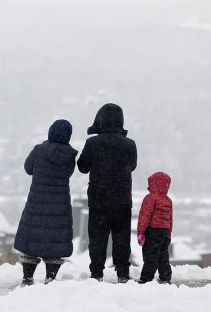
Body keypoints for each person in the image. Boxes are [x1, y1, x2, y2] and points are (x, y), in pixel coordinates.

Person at [77, 103, 137, 283]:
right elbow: (132, 166)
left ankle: (96, 273)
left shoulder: (93, 142)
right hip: (122, 199)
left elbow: (82, 167)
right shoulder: (129, 144)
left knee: (97, 238)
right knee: (122, 237)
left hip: (98, 198)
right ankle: (123, 273)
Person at [14, 119, 78, 286]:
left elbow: (28, 168)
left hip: (37, 200)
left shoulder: (39, 150)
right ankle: (51, 278)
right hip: (60, 203)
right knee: (55, 241)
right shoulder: (70, 155)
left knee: (32, 240)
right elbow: (68, 173)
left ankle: (27, 278)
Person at [137, 172, 173, 284]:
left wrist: (141, 232)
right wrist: (169, 232)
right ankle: (165, 276)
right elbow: (170, 218)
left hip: (153, 230)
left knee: (150, 255)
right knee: (163, 254)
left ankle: (146, 278)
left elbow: (145, 216)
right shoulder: (168, 200)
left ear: (153, 184)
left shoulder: (150, 198)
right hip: (165, 231)